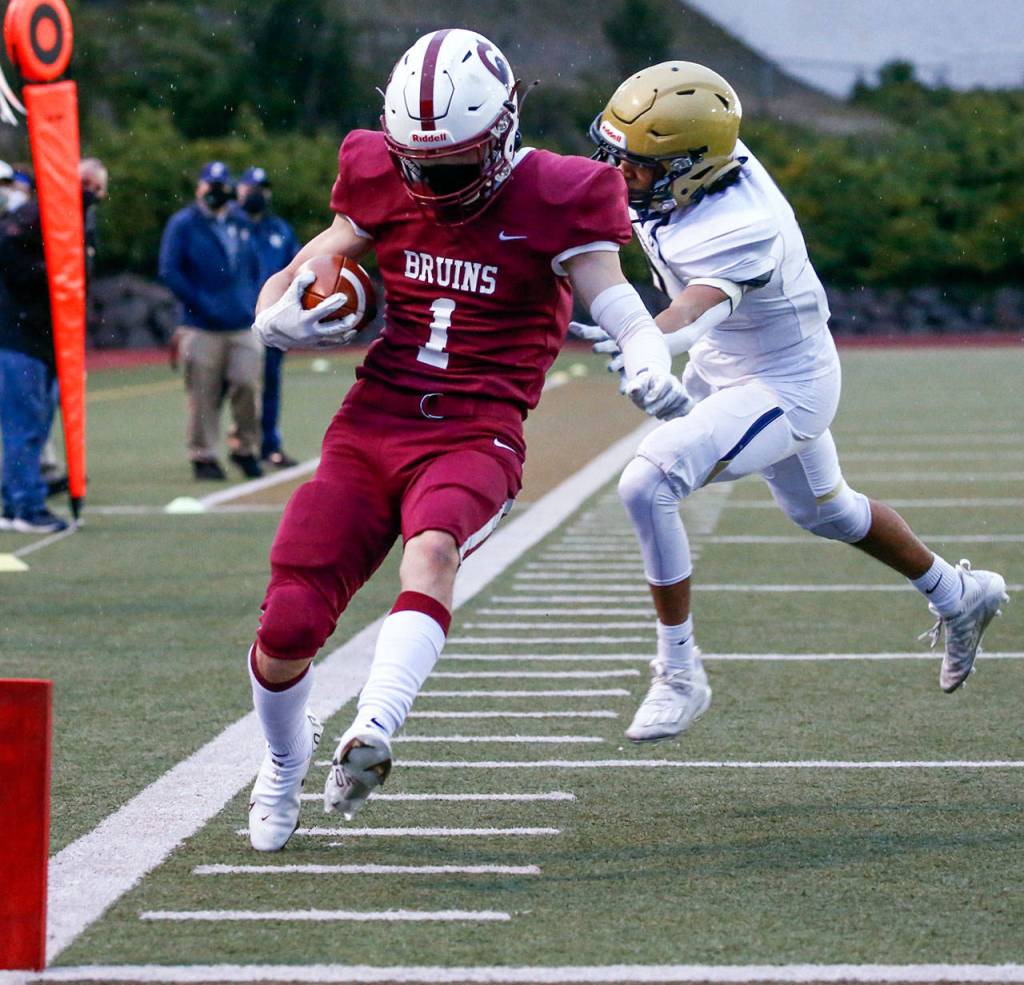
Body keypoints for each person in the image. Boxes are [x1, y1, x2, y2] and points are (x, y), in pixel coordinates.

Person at [243, 28, 690, 852]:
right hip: (374, 421)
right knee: (289, 623)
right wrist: (273, 314)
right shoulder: (378, 169)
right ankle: (282, 759)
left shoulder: (558, 192)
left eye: (446, 169)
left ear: (501, 131)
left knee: (434, 547)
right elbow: (315, 259)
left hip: (476, 430)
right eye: (412, 165)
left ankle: (373, 727)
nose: (425, 184)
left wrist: (648, 349)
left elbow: (612, 294)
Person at [576, 62, 1009, 743]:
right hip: (730, 360)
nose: (618, 175)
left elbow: (693, 310)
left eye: (637, 166)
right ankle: (959, 594)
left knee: (647, 483)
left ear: (689, 169)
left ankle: (680, 673)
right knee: (829, 512)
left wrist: (646, 344)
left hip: (784, 382)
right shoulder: (699, 158)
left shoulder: (741, 223)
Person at [0, 159, 107, 532]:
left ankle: (14, 502)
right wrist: (53, 271)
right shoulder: (34, 216)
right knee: (25, 426)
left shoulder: (77, 220)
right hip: (22, 338)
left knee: (35, 426)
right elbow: (12, 257)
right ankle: (26, 506)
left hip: (47, 340)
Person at [159, 162, 264, 481]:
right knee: (203, 393)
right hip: (201, 325)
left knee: (247, 384)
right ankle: (203, 455)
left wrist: (249, 299)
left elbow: (252, 265)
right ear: (199, 188)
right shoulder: (184, 224)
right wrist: (201, 303)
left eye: (221, 185)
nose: (216, 192)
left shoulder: (239, 221)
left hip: (241, 321)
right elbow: (170, 270)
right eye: (211, 185)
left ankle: (244, 446)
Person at [232, 166, 301, 469]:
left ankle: (268, 445)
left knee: (269, 384)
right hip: (235, 321)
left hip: (271, 319)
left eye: (261, 189)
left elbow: (298, 268)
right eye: (250, 188)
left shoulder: (279, 229)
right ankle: (234, 444)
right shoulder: (228, 225)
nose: (256, 195)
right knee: (236, 386)